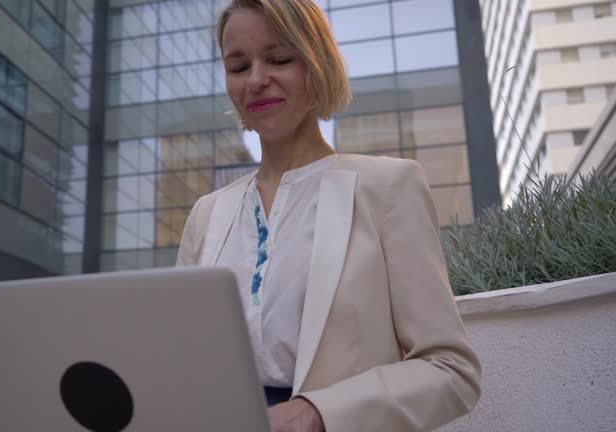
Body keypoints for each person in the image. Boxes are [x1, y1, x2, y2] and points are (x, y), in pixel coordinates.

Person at [176, 1, 481, 431]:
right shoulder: (206, 214)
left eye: (280, 58)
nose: (258, 79)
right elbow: (182, 360)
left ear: (316, 64)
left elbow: (451, 370)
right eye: (238, 66)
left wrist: (318, 413)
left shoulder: (388, 188)